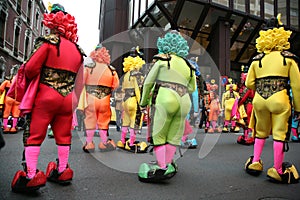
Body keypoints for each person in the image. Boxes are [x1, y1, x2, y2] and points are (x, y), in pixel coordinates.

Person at [11, 3, 85, 192]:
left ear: (52, 24)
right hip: (67, 98)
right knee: (63, 135)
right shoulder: (78, 51)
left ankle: (30, 175)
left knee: (34, 135)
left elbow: (30, 69)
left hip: (45, 95)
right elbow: (80, 82)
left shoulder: (48, 42)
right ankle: (62, 170)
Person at [244, 15, 300, 184]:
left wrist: (262, 87)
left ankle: (255, 162)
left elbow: (249, 83)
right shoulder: (288, 58)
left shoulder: (256, 59)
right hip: (280, 99)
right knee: (279, 134)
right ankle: (277, 169)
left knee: (260, 132)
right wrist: (298, 108)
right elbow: (297, 87)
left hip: (260, 100)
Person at [138, 31, 196, 182]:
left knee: (159, 134)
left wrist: (143, 102)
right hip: (184, 101)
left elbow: (148, 83)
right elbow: (192, 88)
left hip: (166, 96)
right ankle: (169, 163)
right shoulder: (188, 65)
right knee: (174, 135)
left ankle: (161, 166)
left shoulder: (162, 61)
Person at [79, 45, 119, 152]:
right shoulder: (111, 70)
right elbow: (116, 85)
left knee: (90, 119)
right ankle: (104, 142)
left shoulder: (89, 67)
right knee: (104, 121)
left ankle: (89, 143)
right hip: (105, 99)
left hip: (90, 97)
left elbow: (81, 81)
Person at [116, 49, 148, 153]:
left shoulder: (125, 75)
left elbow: (123, 89)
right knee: (134, 122)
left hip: (125, 100)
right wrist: (142, 105)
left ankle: (122, 140)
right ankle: (131, 143)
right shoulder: (137, 75)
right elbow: (138, 91)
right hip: (134, 101)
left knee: (125, 121)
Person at [0, 64, 21, 133]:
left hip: (8, 98)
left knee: (6, 113)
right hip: (17, 99)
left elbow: (1, 89)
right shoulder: (20, 82)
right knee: (16, 114)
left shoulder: (7, 81)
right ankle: (13, 127)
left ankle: (6, 127)